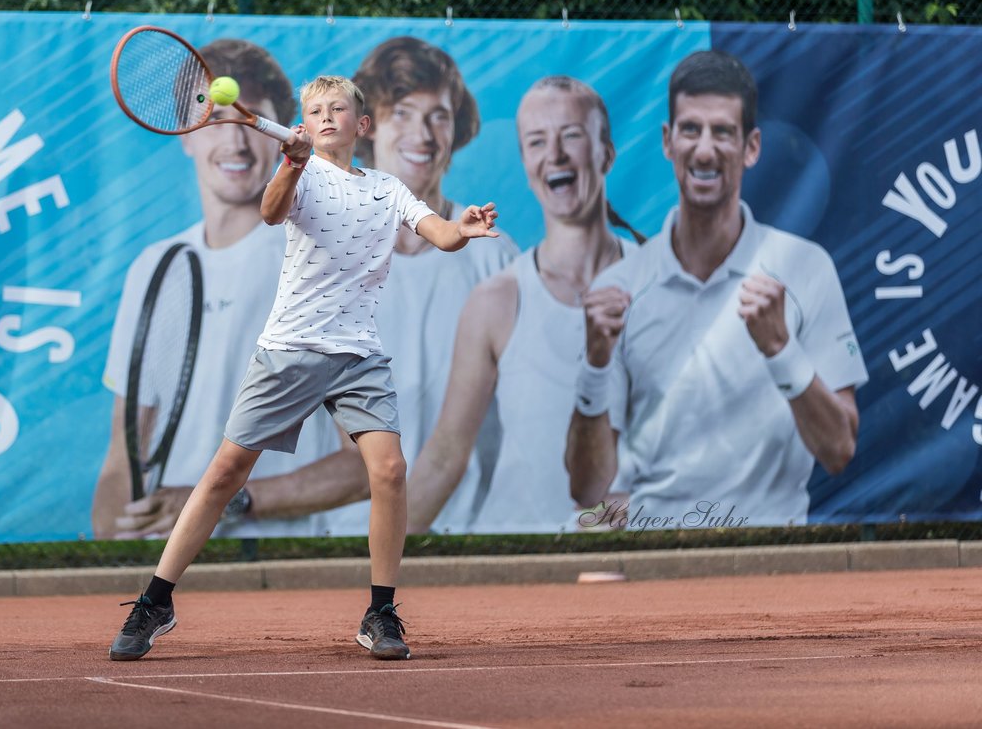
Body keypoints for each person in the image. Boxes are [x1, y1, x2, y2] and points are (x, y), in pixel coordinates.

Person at [108, 75, 500, 662]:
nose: (326, 117)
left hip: (358, 356)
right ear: (305, 124)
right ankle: (156, 600)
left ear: (361, 126)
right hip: (289, 349)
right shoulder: (302, 174)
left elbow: (440, 234)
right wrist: (290, 166)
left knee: (389, 472)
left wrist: (462, 229)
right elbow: (271, 213)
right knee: (223, 475)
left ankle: (381, 611)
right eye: (314, 110)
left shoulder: (388, 189)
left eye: (338, 109)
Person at [565, 50, 868, 528]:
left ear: (751, 147)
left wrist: (780, 349)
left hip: (776, 561)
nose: (704, 149)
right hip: (654, 561)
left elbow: (839, 451)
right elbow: (587, 491)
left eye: (722, 132)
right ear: (668, 142)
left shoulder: (806, 268)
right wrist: (594, 367)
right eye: (691, 129)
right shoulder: (619, 287)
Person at [93, 38, 340, 541]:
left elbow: (365, 463)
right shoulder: (152, 267)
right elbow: (123, 455)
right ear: (185, 135)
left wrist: (228, 502)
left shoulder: (315, 259)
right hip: (168, 560)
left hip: (276, 564)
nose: (233, 143)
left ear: (277, 135)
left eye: (248, 121)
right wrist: (116, 540)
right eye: (211, 118)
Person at [407, 76, 643, 534]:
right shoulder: (495, 301)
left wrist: (646, 511)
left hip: (631, 563)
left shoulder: (659, 284)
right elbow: (445, 455)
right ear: (526, 163)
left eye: (571, 135)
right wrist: (374, 569)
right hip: (513, 561)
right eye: (537, 141)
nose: (554, 154)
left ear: (607, 154)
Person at [325, 36, 520, 536]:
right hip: (349, 532)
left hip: (476, 532)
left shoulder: (496, 253)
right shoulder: (332, 250)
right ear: (370, 130)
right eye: (403, 113)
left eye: (439, 115)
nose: (424, 134)